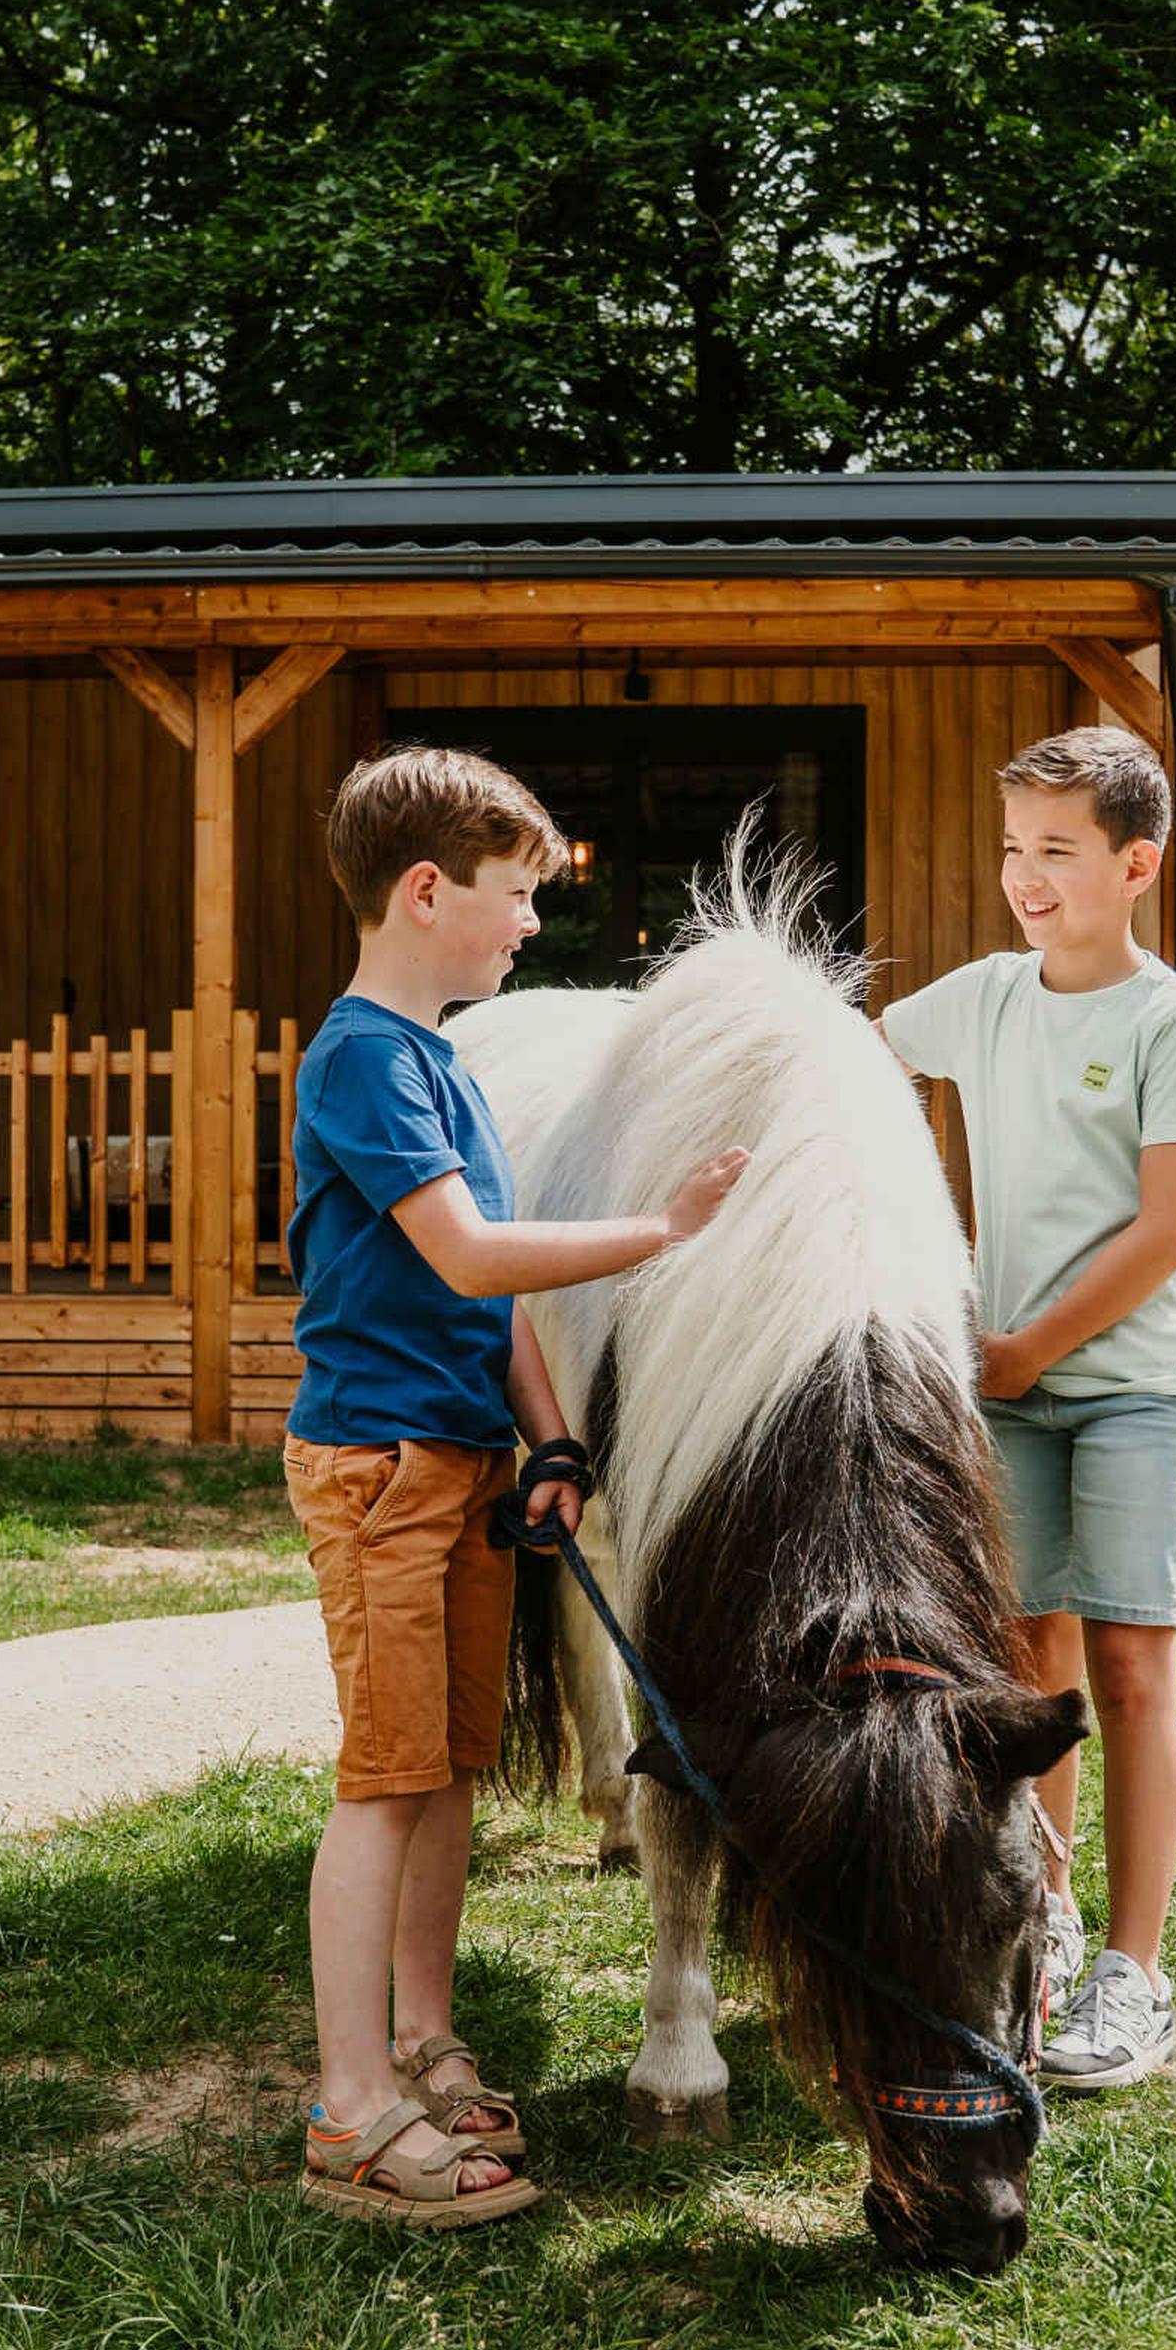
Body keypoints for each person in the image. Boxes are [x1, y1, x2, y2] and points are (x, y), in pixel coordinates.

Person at [284, 745, 748, 2226]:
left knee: (451, 1777)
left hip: (472, 1463)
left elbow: (502, 1319)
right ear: (427, 894)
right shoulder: (361, 1059)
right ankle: (350, 2110)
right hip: (382, 1471)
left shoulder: (443, 1060)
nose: (533, 927)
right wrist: (660, 1232)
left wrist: (551, 1444)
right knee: (386, 1784)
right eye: (515, 897)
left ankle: (423, 2039)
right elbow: (476, 1258)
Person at [878, 725, 1176, 2093]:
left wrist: (1026, 1347)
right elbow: (847, 1059)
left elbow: (1167, 1229)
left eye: (1060, 853)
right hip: (1006, 1396)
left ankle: (1135, 1973)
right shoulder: (980, 1001)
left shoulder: (1168, 1021)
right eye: (1015, 848)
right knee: (1030, 1670)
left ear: (1136, 863)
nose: (1027, 878)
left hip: (1129, 1392)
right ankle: (1048, 1908)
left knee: (1134, 1669)